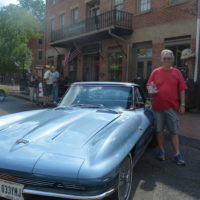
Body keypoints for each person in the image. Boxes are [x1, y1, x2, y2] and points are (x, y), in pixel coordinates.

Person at [147, 49, 187, 166]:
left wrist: (183, 104)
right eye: (164, 58)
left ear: (173, 60)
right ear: (161, 60)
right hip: (157, 107)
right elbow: (149, 86)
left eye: (169, 58)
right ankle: (161, 151)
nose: (167, 60)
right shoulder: (155, 72)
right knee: (159, 130)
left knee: (174, 131)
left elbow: (182, 89)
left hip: (172, 107)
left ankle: (177, 154)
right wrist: (151, 90)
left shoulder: (177, 72)